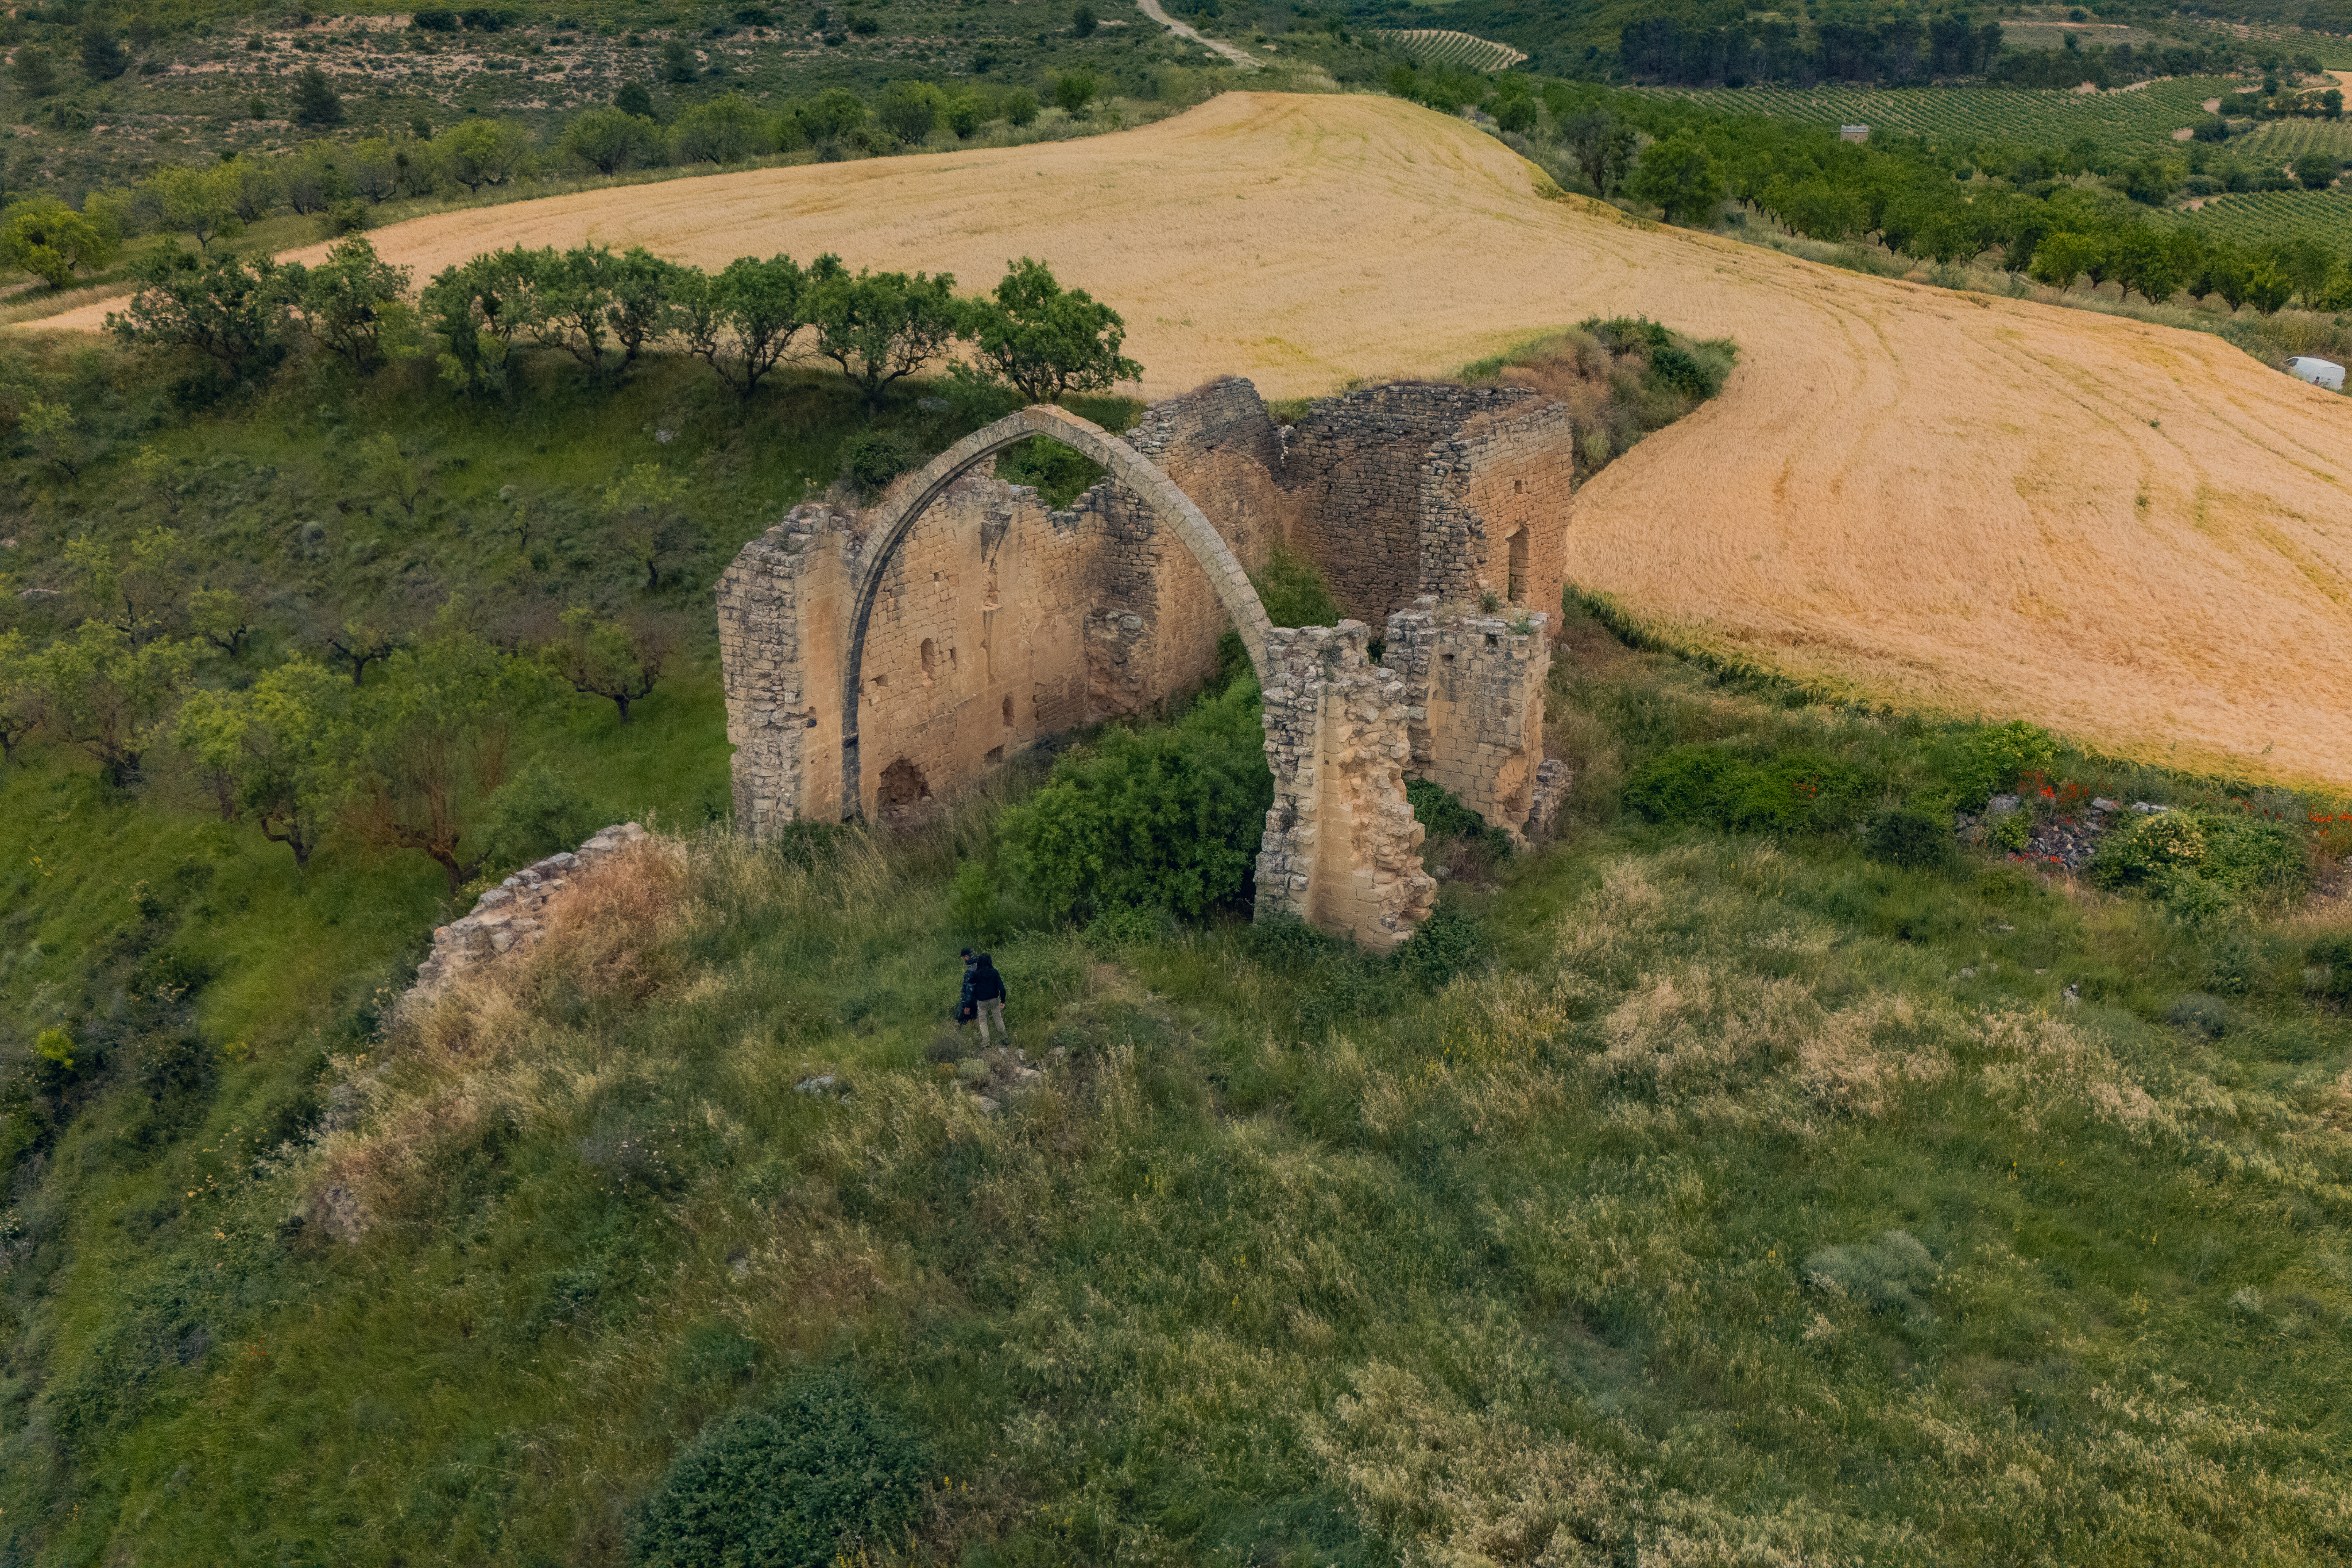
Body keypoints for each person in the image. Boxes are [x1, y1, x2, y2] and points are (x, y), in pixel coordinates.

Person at [967, 951, 1008, 1047]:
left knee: (983, 1021)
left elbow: (970, 982)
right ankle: (1004, 1038)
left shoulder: (977, 974)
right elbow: (1002, 988)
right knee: (998, 1018)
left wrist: (974, 969)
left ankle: (986, 1042)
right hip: (994, 999)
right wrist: (1002, 1001)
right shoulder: (995, 972)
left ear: (980, 962)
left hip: (982, 1001)